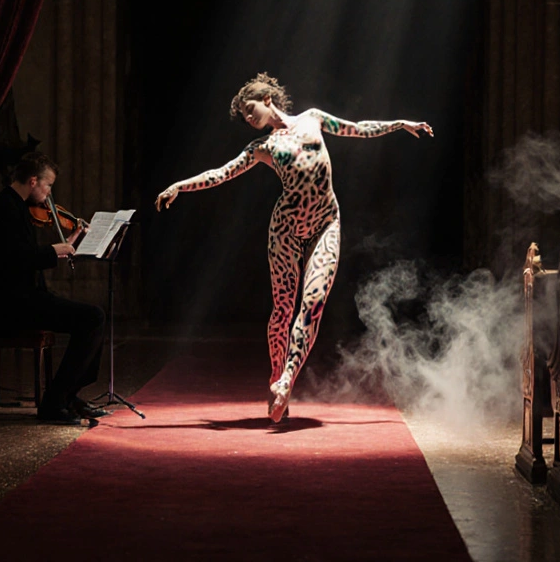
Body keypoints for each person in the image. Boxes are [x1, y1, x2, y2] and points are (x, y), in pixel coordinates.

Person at [155, 72, 432, 423]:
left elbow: (358, 128)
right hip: (285, 228)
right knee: (283, 309)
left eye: (250, 108)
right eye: (244, 116)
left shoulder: (313, 118)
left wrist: (399, 124)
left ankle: (287, 379)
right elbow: (221, 173)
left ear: (267, 99)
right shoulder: (262, 147)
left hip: (325, 222)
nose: (248, 118)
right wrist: (180, 185)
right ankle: (276, 377)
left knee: (313, 304)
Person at [0, 152, 108, 425]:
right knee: (92, 317)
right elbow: (14, 258)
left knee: (92, 317)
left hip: (25, 299)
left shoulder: (16, 206)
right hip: (8, 306)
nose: (49, 194)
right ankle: (55, 402)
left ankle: (68, 396)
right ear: (33, 181)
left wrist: (68, 243)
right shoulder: (5, 209)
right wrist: (52, 250)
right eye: (48, 186)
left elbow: (24, 256)